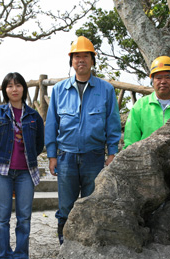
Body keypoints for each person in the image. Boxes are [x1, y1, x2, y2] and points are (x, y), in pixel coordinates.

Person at [44, 36, 121, 245]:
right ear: (71, 61)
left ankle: (89, 246)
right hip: (66, 156)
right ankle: (65, 246)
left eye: (85, 56)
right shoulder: (60, 90)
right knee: (65, 206)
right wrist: (52, 155)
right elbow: (51, 124)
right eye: (77, 56)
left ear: (92, 60)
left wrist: (112, 153)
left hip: (94, 156)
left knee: (92, 203)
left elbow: (112, 124)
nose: (81, 60)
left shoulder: (105, 89)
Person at [0, 72, 44, 259]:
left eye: (18, 85)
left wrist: (25, 159)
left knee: (24, 217)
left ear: (23, 89)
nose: (14, 89)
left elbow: (39, 143)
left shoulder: (33, 115)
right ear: (5, 90)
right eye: (9, 86)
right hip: (2, 172)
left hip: (26, 173)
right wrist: (2, 159)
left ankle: (20, 258)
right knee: (2, 218)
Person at [123, 56, 170, 149]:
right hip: (146, 159)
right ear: (152, 81)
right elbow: (131, 139)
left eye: (168, 77)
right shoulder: (140, 106)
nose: (163, 82)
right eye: (158, 78)